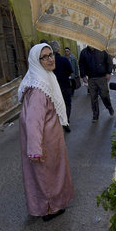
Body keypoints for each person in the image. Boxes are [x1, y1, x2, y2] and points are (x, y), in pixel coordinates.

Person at [18, 43, 74, 221]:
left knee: (50, 174)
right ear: (36, 61)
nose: (51, 59)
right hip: (44, 144)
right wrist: (35, 149)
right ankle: (50, 209)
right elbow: (33, 121)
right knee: (48, 177)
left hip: (50, 139)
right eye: (45, 57)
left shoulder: (44, 78)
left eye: (51, 55)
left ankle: (50, 205)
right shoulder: (38, 90)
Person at [79, 45, 114, 122]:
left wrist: (108, 72)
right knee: (93, 98)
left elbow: (109, 61)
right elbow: (81, 64)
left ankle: (109, 107)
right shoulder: (84, 52)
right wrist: (83, 76)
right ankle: (95, 116)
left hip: (101, 77)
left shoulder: (102, 50)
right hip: (91, 78)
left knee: (104, 95)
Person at [49, 40, 74, 131]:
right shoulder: (64, 60)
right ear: (58, 49)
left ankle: (58, 122)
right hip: (65, 85)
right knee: (67, 103)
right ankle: (65, 121)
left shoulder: (48, 62)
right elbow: (71, 72)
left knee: (56, 105)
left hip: (53, 87)